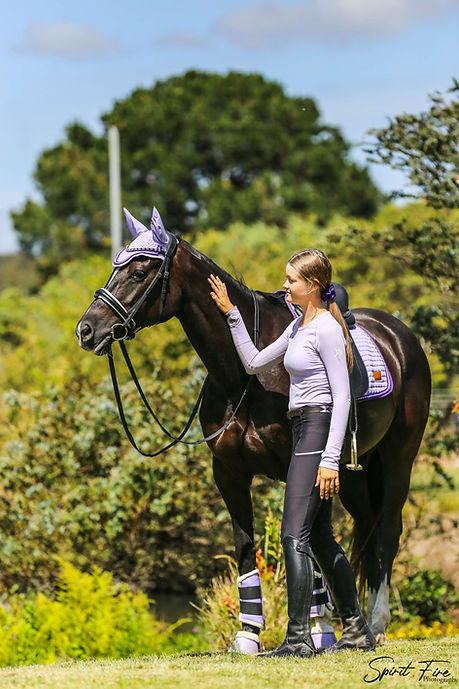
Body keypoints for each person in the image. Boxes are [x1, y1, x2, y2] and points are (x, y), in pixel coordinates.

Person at [208, 248, 376, 658]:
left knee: (292, 535)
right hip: (302, 425)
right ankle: (357, 630)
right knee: (319, 535)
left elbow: (340, 400)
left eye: (291, 280)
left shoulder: (327, 331)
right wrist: (232, 313)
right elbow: (253, 362)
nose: (284, 286)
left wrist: (331, 459)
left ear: (313, 286)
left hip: (319, 426)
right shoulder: (299, 326)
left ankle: (299, 638)